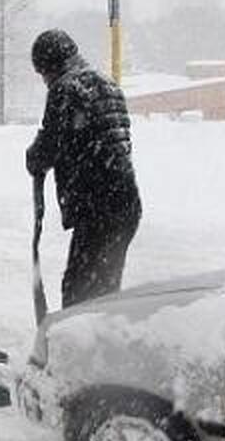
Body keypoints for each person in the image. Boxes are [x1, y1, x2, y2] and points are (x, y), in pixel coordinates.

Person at [25, 29, 142, 308]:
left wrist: (34, 157)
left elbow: (52, 142)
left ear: (50, 65)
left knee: (79, 295)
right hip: (125, 203)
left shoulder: (66, 88)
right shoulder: (107, 83)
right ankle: (104, 345)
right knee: (105, 291)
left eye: (43, 73)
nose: (44, 80)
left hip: (98, 207)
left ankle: (81, 349)